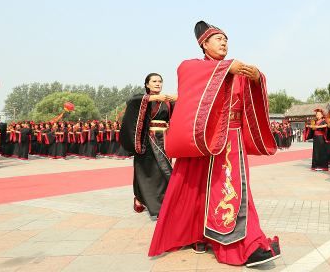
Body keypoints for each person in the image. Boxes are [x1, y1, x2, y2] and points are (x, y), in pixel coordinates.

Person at [149, 21, 280, 267]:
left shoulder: (237, 72)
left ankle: (247, 243)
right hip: (204, 140)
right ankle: (200, 235)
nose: (224, 43)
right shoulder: (195, 67)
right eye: (218, 39)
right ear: (204, 44)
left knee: (233, 190)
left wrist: (256, 78)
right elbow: (186, 73)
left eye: (226, 39)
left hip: (231, 138)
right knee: (198, 189)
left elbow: (250, 102)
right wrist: (228, 67)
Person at [120, 73, 176, 218]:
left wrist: (179, 99)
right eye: (154, 81)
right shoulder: (142, 99)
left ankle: (161, 203)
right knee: (145, 171)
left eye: (160, 81)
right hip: (146, 140)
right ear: (147, 85)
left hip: (164, 139)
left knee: (162, 172)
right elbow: (132, 102)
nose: (158, 83)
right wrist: (154, 98)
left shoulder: (167, 101)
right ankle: (143, 200)